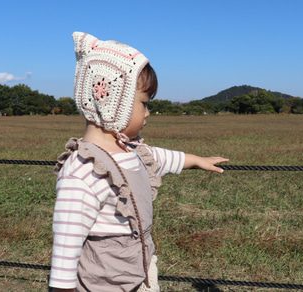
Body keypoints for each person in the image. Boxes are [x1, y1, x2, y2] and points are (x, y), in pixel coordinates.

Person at [50, 32, 228, 292]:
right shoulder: (82, 173)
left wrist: (197, 161)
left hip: (139, 278)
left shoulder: (130, 152)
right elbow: (65, 257)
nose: (148, 113)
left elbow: (161, 158)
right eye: (144, 103)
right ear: (111, 102)